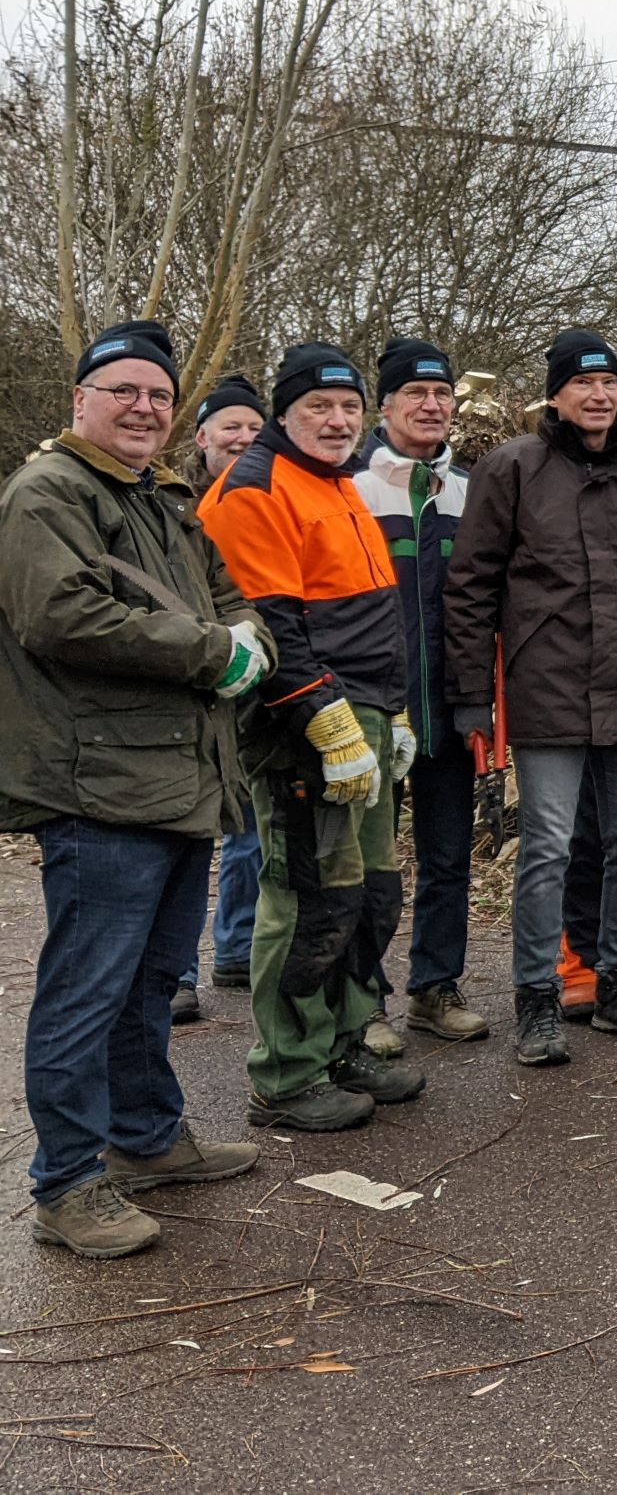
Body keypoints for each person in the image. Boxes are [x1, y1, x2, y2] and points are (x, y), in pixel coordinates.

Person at [1, 321, 265, 1258]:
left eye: (159, 394)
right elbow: (61, 614)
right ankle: (67, 1183)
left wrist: (249, 640)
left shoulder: (162, 497)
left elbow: (228, 596)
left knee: (152, 977)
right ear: (81, 399)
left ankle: (147, 1139)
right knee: (87, 988)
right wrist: (212, 651)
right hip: (101, 782)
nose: (144, 407)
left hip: (179, 773)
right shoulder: (48, 491)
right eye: (124, 390)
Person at [446, 328, 617, 1066]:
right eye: (582, 383)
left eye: (607, 384)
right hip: (547, 691)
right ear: (555, 394)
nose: (597, 395)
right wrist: (471, 694)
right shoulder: (512, 468)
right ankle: (537, 997)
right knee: (548, 848)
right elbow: (470, 586)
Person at [198, 344, 425, 1126]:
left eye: (349, 406)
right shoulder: (254, 488)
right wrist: (326, 721)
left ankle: (344, 1040)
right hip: (304, 727)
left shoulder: (338, 482)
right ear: (284, 412)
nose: (337, 420)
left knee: (368, 893)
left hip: (367, 715)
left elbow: (371, 616)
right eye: (318, 406)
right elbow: (270, 626)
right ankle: (287, 1071)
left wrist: (392, 712)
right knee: (308, 896)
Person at [351, 338, 488, 1047]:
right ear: (385, 406)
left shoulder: (470, 489)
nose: (432, 406)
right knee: (367, 864)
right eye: (416, 393)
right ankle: (363, 1001)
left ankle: (435, 988)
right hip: (376, 707)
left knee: (448, 858)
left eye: (442, 394)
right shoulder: (352, 486)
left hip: (452, 705)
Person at [185, 373, 271, 1014]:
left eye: (253, 427)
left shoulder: (271, 495)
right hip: (189, 676)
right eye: (230, 426)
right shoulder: (175, 504)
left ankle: (237, 947)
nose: (242, 437)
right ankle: (176, 973)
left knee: (247, 821)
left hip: (257, 672)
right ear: (202, 437)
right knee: (186, 827)